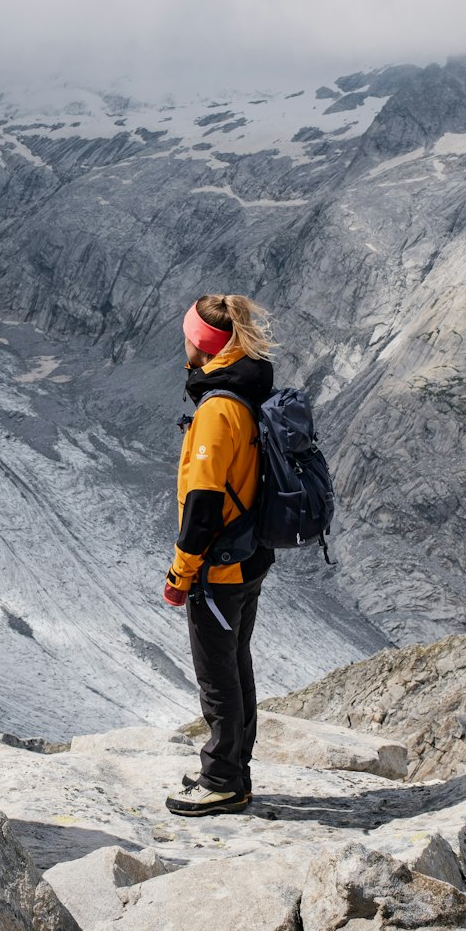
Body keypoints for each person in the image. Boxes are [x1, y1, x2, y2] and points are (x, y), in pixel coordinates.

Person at [163, 293, 274, 816]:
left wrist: (180, 573)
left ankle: (223, 780)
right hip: (248, 558)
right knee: (236, 664)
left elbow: (203, 507)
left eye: (187, 334)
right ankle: (235, 771)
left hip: (220, 566)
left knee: (217, 676)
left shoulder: (216, 411)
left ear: (202, 344)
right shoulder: (244, 392)